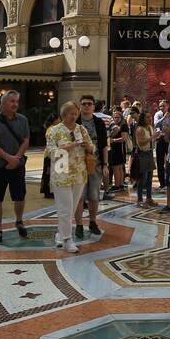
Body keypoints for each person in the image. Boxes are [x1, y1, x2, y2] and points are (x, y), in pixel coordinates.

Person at [0, 91, 30, 242]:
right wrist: (8, 158)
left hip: (17, 166)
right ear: (3, 104)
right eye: (11, 101)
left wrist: (16, 159)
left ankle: (19, 220)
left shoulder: (22, 120)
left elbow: (26, 140)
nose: (15, 104)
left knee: (20, 196)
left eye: (16, 101)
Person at [46, 101, 90, 254]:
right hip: (61, 170)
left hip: (79, 172)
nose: (74, 116)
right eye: (72, 113)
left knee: (70, 208)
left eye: (76, 114)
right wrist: (68, 146)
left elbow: (92, 147)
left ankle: (60, 233)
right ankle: (67, 240)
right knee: (65, 208)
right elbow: (51, 152)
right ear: (64, 114)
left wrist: (87, 146)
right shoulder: (54, 131)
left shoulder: (81, 129)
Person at [75, 95, 108, 239]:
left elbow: (104, 145)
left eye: (89, 104)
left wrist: (106, 164)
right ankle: (78, 224)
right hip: (78, 165)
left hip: (96, 164)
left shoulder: (99, 123)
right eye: (84, 104)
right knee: (79, 197)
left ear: (94, 106)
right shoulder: (75, 121)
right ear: (80, 106)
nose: (87, 106)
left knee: (94, 196)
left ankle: (93, 222)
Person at [132, 110, 157, 208]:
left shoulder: (150, 127)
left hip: (150, 153)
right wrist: (152, 137)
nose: (150, 118)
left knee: (150, 178)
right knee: (142, 178)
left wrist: (156, 136)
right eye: (147, 117)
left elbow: (151, 140)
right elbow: (141, 143)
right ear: (143, 118)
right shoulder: (140, 129)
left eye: (150, 117)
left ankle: (149, 198)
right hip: (142, 154)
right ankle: (139, 200)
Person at [107, 109, 127, 192]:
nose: (116, 119)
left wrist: (113, 140)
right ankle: (120, 185)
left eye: (118, 117)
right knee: (118, 167)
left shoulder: (123, 126)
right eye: (114, 117)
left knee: (117, 167)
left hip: (119, 148)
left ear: (121, 118)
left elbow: (124, 138)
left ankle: (117, 185)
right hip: (115, 148)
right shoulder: (114, 126)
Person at [153, 100, 170, 188]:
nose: (161, 108)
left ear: (168, 106)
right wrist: (163, 118)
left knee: (169, 161)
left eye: (163, 106)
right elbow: (155, 124)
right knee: (160, 162)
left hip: (169, 140)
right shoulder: (157, 114)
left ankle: (169, 182)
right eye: (160, 106)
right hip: (159, 139)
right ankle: (162, 183)